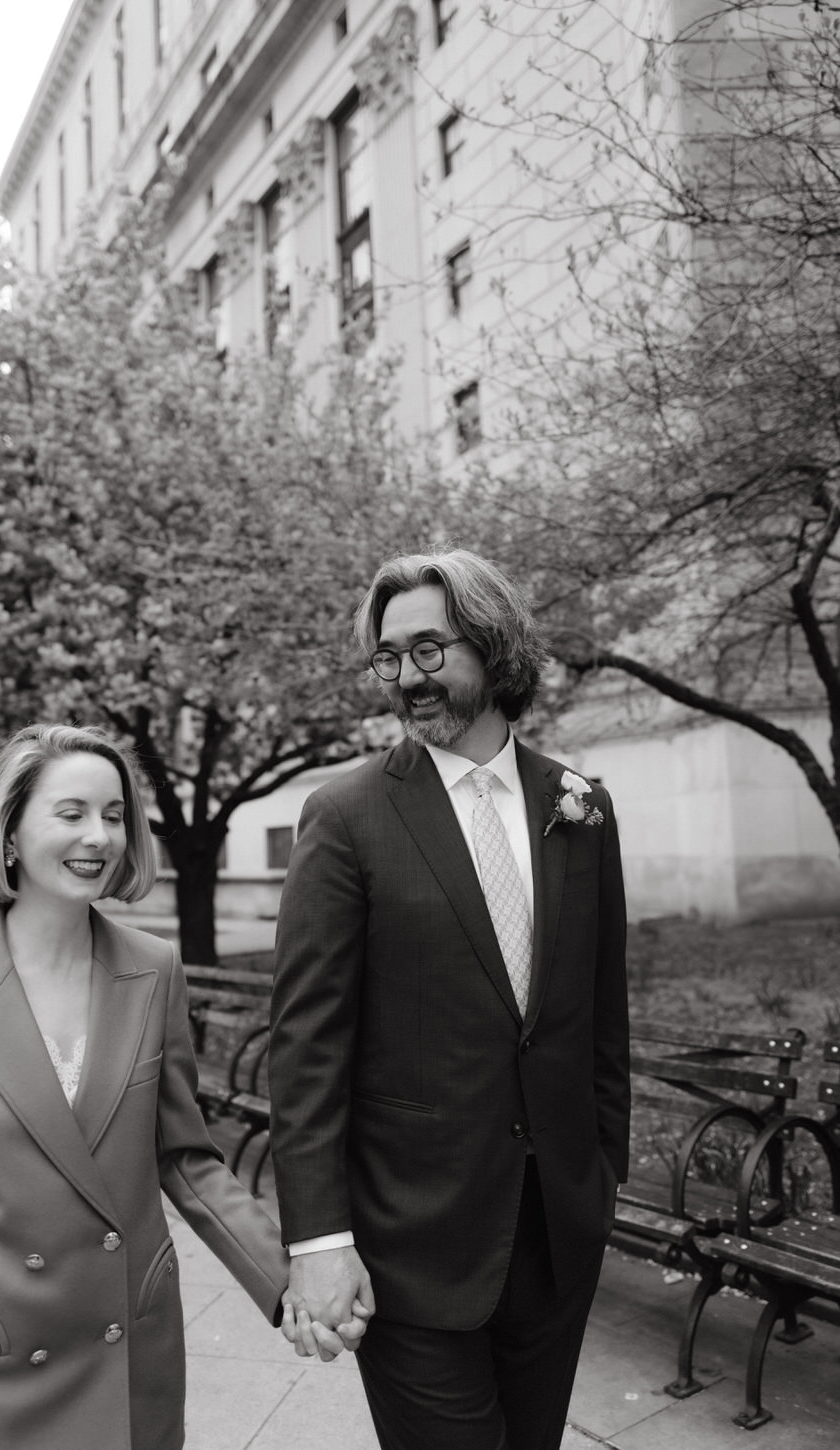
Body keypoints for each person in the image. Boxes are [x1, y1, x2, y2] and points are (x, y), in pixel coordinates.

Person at [269, 547, 630, 1450]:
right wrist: (318, 1243)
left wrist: (600, 1170)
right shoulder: (346, 815)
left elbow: (600, 1009)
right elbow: (307, 1044)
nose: (405, 678)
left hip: (555, 1237)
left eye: (428, 649)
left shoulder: (579, 805)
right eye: (389, 657)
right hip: (410, 1249)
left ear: (494, 645)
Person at [0, 723, 291, 1450]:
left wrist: (286, 1282)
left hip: (123, 1349)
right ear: (10, 832)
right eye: (70, 813)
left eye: (113, 815)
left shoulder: (154, 968)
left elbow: (185, 1158)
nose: (98, 836)